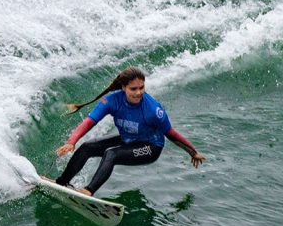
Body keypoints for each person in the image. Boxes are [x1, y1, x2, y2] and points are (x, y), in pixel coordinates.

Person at [54, 67, 205, 196]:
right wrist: (71, 142)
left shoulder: (153, 110)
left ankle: (88, 191)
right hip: (128, 139)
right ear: (124, 88)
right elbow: (89, 122)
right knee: (87, 147)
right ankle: (62, 183)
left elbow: (171, 133)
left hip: (151, 147)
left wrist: (192, 152)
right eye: (133, 89)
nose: (139, 92)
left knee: (111, 154)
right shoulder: (112, 101)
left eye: (141, 87)